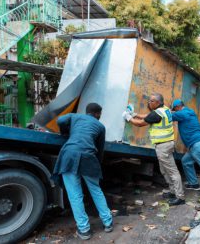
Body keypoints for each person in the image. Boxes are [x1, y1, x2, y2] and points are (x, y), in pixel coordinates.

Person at [52, 103, 113, 240]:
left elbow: (60, 120)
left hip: (69, 156)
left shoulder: (75, 117)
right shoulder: (100, 126)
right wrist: (96, 164)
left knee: (75, 195)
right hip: (88, 158)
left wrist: (64, 132)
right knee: (96, 190)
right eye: (100, 114)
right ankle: (108, 223)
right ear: (97, 114)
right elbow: (100, 149)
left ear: (87, 112)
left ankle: (84, 230)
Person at [122, 93, 185, 206]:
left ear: (158, 102)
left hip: (163, 146)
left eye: (152, 101)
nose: (149, 103)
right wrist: (135, 114)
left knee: (172, 171)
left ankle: (180, 197)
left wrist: (129, 118)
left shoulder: (157, 114)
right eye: (149, 100)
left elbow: (140, 123)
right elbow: (147, 116)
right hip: (166, 144)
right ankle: (172, 191)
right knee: (164, 170)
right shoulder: (164, 109)